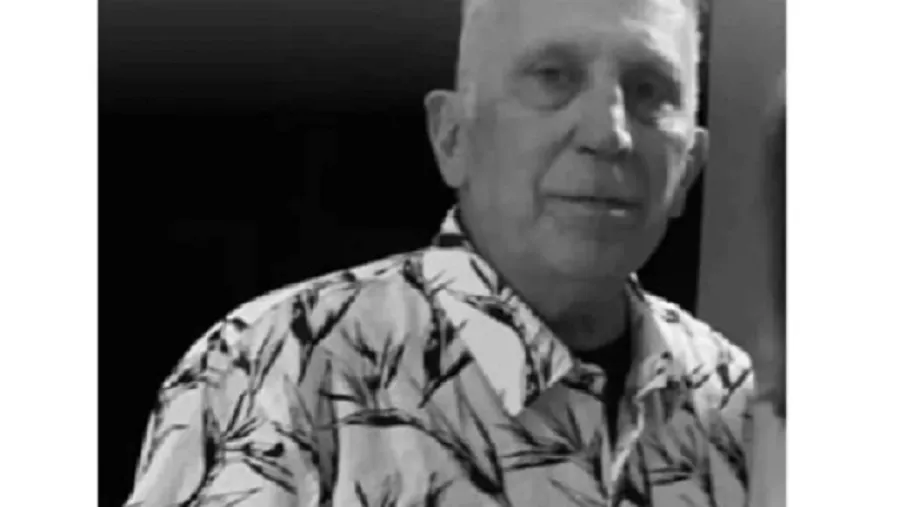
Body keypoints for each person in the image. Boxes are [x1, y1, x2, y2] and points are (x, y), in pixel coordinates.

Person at [123, 0, 757, 506]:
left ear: (689, 167)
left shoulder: (736, 404)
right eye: (554, 76)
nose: (608, 132)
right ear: (451, 136)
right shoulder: (274, 370)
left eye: (648, 88)